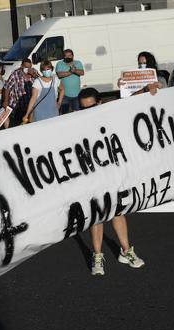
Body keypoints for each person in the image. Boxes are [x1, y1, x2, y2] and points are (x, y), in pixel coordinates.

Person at [78, 87, 145, 275]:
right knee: (97, 214)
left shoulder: (108, 112)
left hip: (111, 172)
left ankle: (126, 251)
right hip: (90, 174)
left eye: (91, 107)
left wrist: (148, 89)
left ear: (99, 103)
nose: (87, 112)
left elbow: (129, 102)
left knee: (118, 210)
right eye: (83, 108)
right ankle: (97, 256)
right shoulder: (75, 121)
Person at [3, 59, 38, 127]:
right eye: (25, 67)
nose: (27, 69)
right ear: (21, 66)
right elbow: (7, 88)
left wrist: (34, 74)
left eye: (29, 67)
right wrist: (6, 101)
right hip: (18, 105)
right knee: (17, 124)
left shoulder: (34, 73)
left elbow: (41, 81)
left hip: (30, 105)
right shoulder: (15, 75)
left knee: (29, 124)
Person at [56, 49, 85, 114]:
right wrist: (71, 72)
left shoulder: (78, 63)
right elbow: (59, 75)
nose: (68, 57)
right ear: (64, 56)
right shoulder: (60, 64)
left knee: (77, 114)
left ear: (73, 56)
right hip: (64, 95)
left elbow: (82, 72)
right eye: (66, 56)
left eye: (69, 55)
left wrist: (75, 70)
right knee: (64, 114)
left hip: (77, 94)